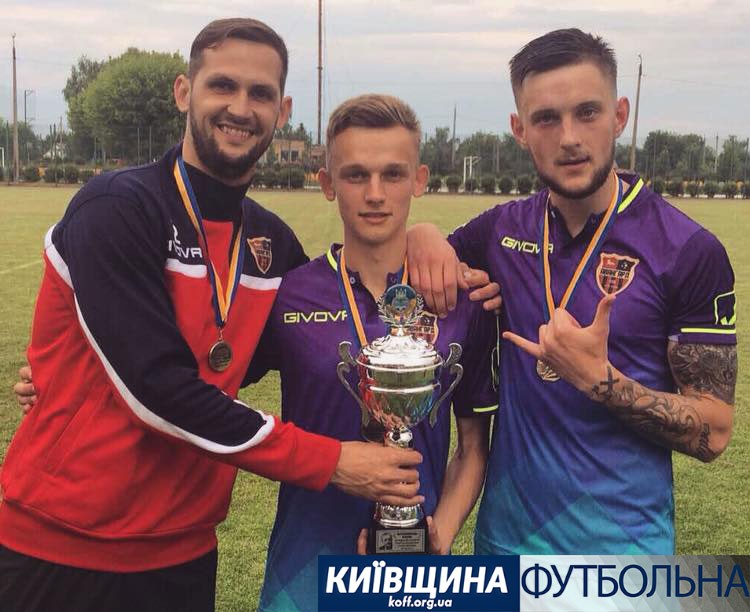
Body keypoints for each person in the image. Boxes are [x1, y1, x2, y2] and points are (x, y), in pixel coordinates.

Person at [0, 19, 427, 612]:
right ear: (184, 92)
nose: (240, 108)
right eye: (222, 85)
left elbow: (322, 325)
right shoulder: (117, 207)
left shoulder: (271, 244)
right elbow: (157, 390)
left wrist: (426, 239)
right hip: (59, 546)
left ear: (283, 112)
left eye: (261, 94)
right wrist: (330, 462)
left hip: (183, 555)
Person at [409, 28, 737, 554]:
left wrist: (599, 380)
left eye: (587, 112)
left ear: (620, 115)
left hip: (624, 558)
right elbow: (424, 265)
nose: (568, 137)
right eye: (546, 118)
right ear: (519, 129)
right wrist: (421, 235)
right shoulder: (499, 231)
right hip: (505, 548)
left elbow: (714, 433)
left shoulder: (688, 249)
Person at [246, 94, 498, 611]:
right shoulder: (288, 294)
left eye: (393, 174)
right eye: (357, 175)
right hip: (304, 573)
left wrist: (441, 534)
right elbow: (210, 382)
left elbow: (473, 448)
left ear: (419, 180)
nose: (376, 194)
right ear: (328, 184)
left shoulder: (461, 299)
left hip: (415, 572)